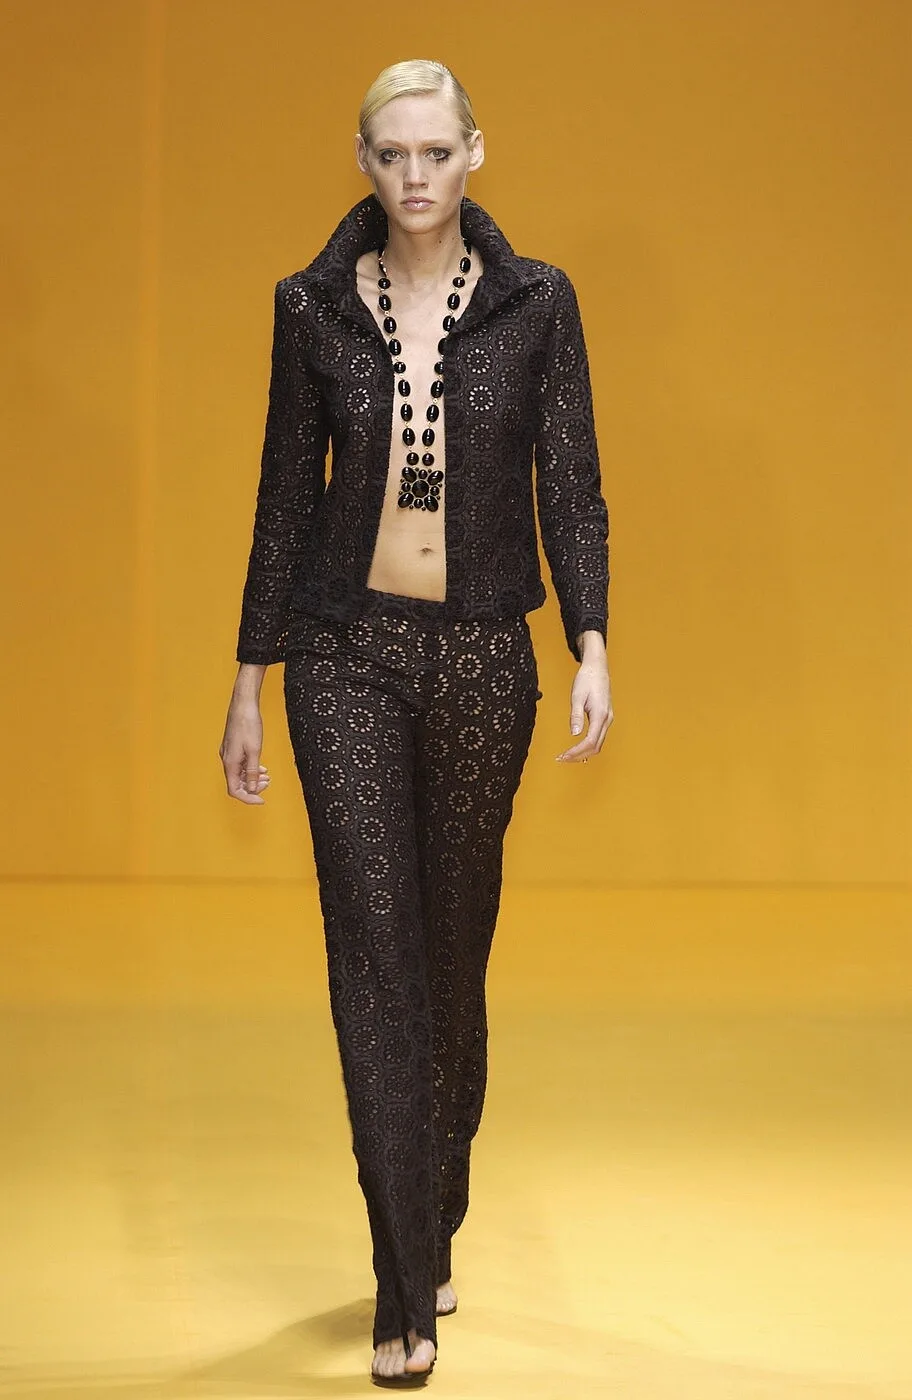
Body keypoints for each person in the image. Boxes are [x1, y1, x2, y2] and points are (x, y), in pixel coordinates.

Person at [218, 58, 612, 1388]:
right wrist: (251, 677)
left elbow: (573, 483)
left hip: (486, 657)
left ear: (475, 152)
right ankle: (400, 1278)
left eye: (437, 151)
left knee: (450, 966)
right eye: (392, 154)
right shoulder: (314, 305)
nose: (416, 175)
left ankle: (434, 1207)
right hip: (345, 653)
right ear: (365, 161)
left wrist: (592, 640)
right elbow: (284, 495)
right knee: (374, 966)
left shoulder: (538, 300)